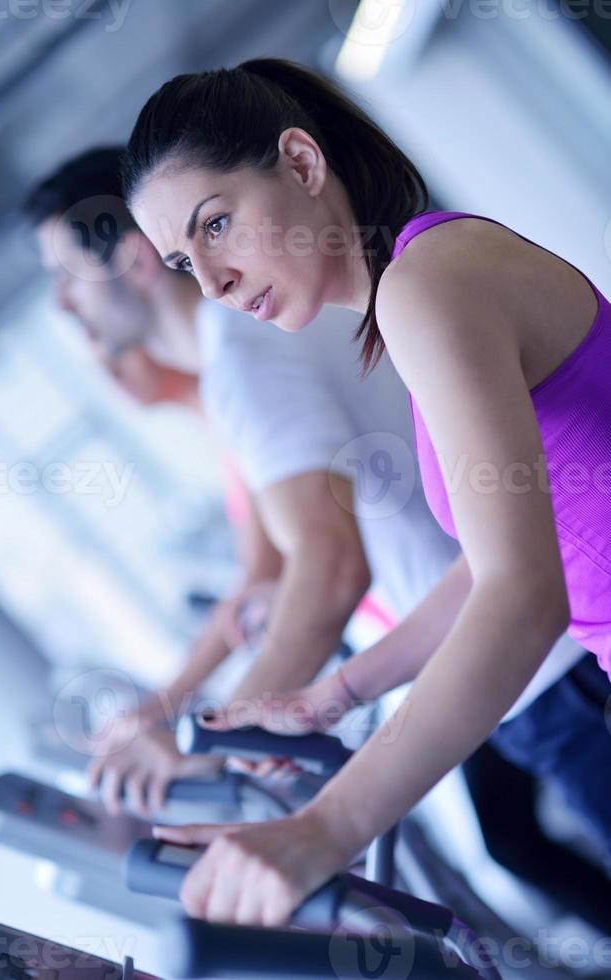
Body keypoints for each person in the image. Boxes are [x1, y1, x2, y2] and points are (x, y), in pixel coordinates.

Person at [121, 58, 611, 926]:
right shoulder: (417, 291)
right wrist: (336, 694)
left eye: (218, 224)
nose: (212, 284)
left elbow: (524, 595)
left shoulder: (430, 285)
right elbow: (518, 552)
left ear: (303, 165)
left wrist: (327, 827)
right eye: (180, 260)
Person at [23, 147, 464, 814]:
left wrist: (215, 731)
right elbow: (271, 572)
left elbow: (332, 565)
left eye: (67, 274)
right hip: (470, 638)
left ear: (136, 260)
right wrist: (175, 709)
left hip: (499, 637)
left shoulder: (241, 356)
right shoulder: (240, 350)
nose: (61, 303)